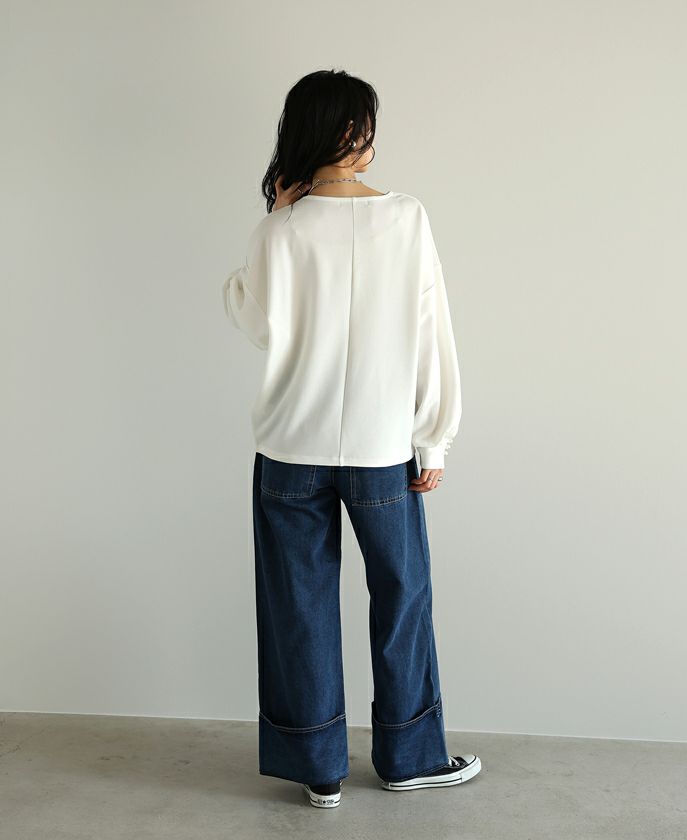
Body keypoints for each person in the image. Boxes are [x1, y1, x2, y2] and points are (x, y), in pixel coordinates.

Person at [222, 69, 481, 809]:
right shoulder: (406, 218)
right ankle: (408, 756)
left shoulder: (282, 227)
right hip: (381, 451)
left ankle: (319, 769)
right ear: (354, 132)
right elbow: (432, 332)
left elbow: (254, 321)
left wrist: (275, 221)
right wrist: (434, 440)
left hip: (290, 448)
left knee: (297, 605)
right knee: (402, 597)